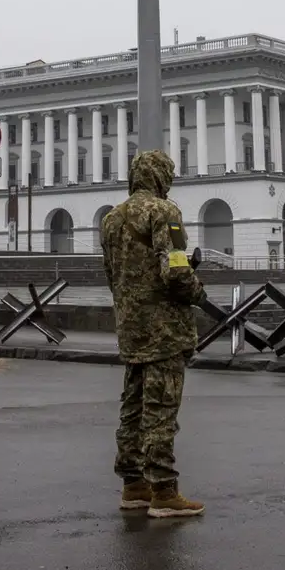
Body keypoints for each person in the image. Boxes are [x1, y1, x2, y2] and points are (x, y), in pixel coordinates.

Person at [101, 149, 206, 518]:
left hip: (130, 328)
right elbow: (175, 269)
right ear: (161, 176)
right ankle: (163, 491)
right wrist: (197, 292)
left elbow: (111, 274)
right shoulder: (164, 212)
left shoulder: (111, 219)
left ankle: (133, 486)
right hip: (164, 330)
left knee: (132, 408)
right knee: (161, 409)